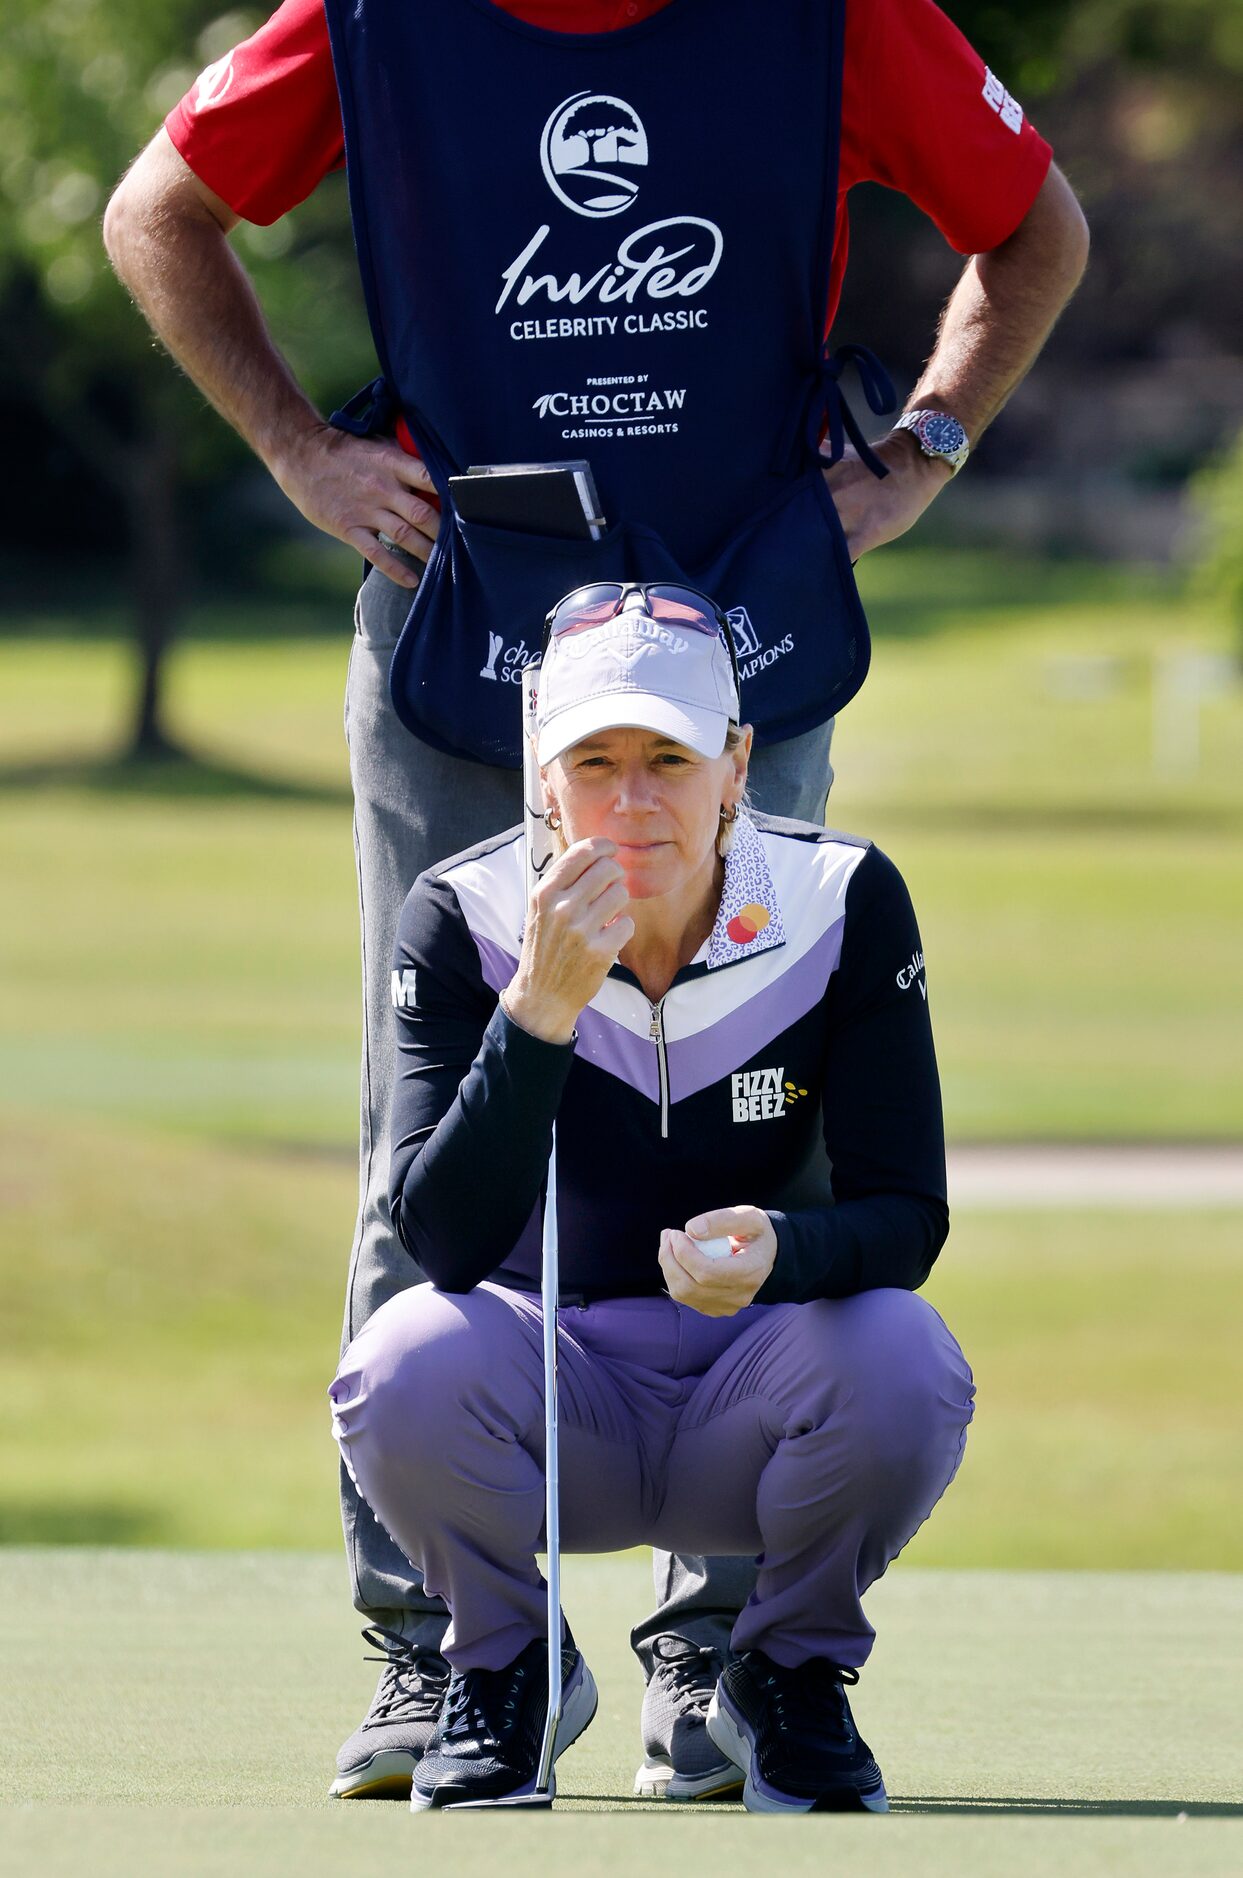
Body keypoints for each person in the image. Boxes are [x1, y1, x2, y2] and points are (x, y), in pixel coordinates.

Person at [102, 0, 1086, 1800]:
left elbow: (1035, 224)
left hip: (740, 629)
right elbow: (154, 209)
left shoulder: (834, 18)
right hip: (458, 627)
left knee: (753, 1110)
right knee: (427, 1121)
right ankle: (443, 1650)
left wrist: (925, 442)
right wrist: (295, 450)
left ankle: (713, 1658)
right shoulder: (368, 22)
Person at [329, 580, 975, 1811]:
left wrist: (784, 1252)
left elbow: (908, 1216)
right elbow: (441, 1236)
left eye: (669, 758)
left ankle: (782, 1672)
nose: (632, 802)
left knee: (903, 1354)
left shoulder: (839, 904)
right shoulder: (461, 917)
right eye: (596, 760)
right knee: (401, 1356)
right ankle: (507, 1663)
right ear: (542, 774)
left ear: (737, 765)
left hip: (754, 1388)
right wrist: (540, 1013)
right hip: (553, 1393)